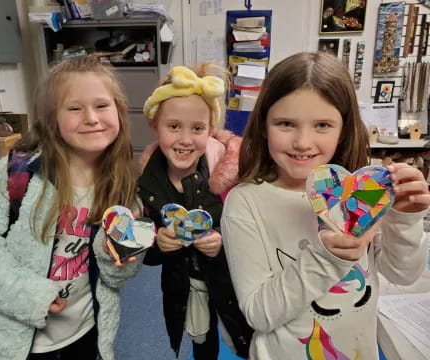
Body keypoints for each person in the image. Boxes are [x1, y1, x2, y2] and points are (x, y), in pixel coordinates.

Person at [221, 52, 430, 360]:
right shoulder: (246, 202)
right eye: (286, 123)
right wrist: (327, 258)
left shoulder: (362, 192)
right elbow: (258, 313)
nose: (303, 142)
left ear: (343, 129)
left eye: (322, 125)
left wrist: (405, 219)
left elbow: (402, 274)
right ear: (264, 125)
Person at [0, 56, 143, 360]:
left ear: (119, 112)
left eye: (102, 106)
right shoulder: (16, 174)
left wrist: (117, 253)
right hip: (18, 346)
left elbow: (119, 277)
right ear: (52, 118)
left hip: (87, 335)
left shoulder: (122, 186)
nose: (92, 118)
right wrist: (33, 296)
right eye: (75, 108)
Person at [138, 65, 253, 359]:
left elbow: (253, 237)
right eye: (173, 126)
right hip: (184, 285)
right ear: (155, 126)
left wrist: (222, 243)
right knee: (201, 341)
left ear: (210, 129)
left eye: (197, 128)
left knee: (245, 340)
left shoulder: (231, 174)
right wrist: (158, 243)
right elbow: (145, 250)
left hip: (231, 281)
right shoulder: (149, 181)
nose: (186, 139)